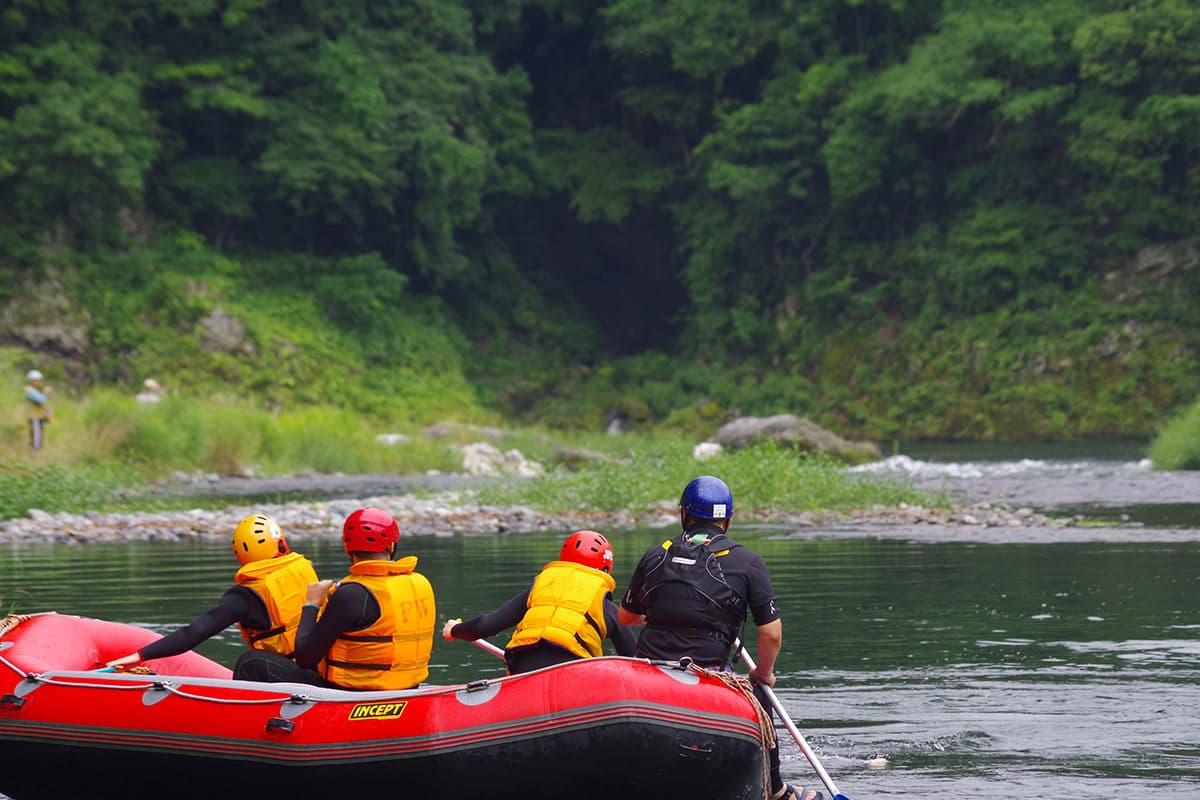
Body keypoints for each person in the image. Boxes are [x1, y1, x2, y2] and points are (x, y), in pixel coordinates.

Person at [618, 475, 821, 800]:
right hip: (709, 672)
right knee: (761, 695)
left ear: (683, 514)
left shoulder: (656, 553)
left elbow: (625, 617)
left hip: (648, 671)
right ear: (727, 519)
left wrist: (660, 615)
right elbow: (770, 632)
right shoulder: (748, 562)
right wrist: (763, 673)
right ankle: (777, 789)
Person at [244, 507, 436, 690]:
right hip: (409, 688)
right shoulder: (421, 582)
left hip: (352, 694)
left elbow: (305, 657)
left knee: (252, 662)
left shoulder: (351, 594)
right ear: (392, 545)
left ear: (348, 549)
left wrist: (311, 604)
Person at [106, 514, 320, 676]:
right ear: (280, 541)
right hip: (319, 670)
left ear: (242, 553)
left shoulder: (247, 595)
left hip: (290, 678)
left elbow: (195, 632)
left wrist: (139, 656)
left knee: (250, 662)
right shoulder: (303, 568)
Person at [443, 530, 636, 674]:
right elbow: (634, 661)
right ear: (606, 568)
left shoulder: (539, 588)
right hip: (575, 673)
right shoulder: (605, 605)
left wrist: (454, 629)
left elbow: (487, 625)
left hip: (524, 667)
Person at [24, 369, 52, 450]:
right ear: (31, 381)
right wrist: (45, 392)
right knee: (36, 440)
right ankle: (34, 455)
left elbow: (41, 404)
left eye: (40, 380)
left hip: (38, 418)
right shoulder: (30, 390)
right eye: (37, 380)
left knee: (38, 438)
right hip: (34, 418)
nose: (39, 382)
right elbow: (41, 400)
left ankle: (35, 454)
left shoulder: (35, 390)